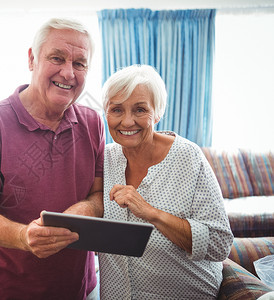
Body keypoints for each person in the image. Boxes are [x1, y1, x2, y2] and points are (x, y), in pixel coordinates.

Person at [0, 18, 105, 300]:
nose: (68, 73)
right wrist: (25, 236)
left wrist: (74, 216)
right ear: (32, 59)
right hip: (11, 290)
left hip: (80, 288)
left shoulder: (93, 122)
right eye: (57, 58)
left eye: (79, 64)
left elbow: (97, 194)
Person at [98, 64, 234, 299]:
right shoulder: (103, 158)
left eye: (140, 110)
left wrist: (149, 212)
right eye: (117, 110)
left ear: (158, 113)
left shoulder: (188, 157)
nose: (127, 121)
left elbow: (219, 243)